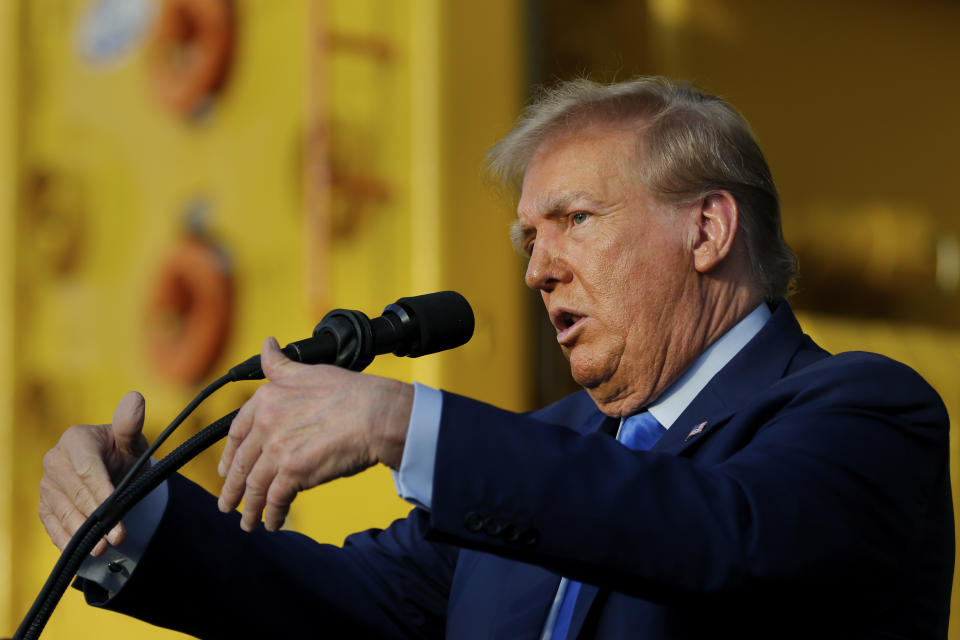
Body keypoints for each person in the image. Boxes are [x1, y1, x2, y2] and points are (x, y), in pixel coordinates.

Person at [38, 77, 953, 639]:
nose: (538, 269)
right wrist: (133, 519)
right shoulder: (538, 458)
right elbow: (347, 604)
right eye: (527, 239)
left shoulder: (866, 413)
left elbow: (718, 532)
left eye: (577, 222)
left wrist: (404, 423)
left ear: (708, 228)